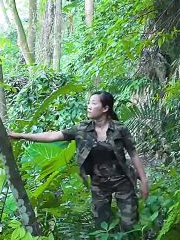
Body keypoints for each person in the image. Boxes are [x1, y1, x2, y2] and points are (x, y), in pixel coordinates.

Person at [8, 91, 149, 233]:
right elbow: (52, 135)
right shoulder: (82, 129)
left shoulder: (120, 129)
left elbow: (133, 153)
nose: (89, 106)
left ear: (105, 108)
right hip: (99, 184)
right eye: (89, 103)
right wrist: (21, 136)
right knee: (101, 227)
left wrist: (143, 181)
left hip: (122, 181)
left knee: (130, 225)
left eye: (93, 103)